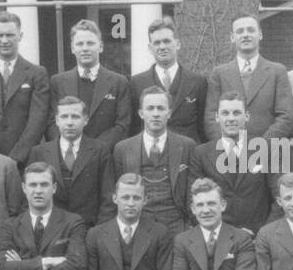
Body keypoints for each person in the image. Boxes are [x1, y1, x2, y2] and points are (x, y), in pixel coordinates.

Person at [113, 86, 195, 235]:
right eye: (150, 108)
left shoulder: (187, 146)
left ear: (169, 113)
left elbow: (191, 191)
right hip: (138, 222)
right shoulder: (123, 149)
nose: (156, 114)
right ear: (141, 113)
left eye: (161, 108)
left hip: (176, 223)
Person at [27, 97, 115, 229]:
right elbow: (30, 196)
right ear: (57, 120)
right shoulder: (39, 152)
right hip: (50, 231)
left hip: (89, 229)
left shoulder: (100, 150)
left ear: (85, 120)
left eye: (75, 117)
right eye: (64, 117)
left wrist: (98, 232)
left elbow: (108, 197)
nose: (69, 122)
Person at [191, 92, 275, 232]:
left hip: (258, 236)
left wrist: (264, 234)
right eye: (225, 113)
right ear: (217, 117)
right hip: (218, 237)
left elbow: (279, 197)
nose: (231, 118)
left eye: (236, 113)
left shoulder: (266, 149)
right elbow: (193, 198)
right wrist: (220, 234)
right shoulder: (201, 154)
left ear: (246, 116)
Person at [203, 14, 293, 141]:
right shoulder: (219, 74)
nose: (245, 35)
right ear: (232, 37)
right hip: (228, 154)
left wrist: (261, 146)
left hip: (267, 153)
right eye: (240, 31)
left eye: (251, 30)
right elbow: (211, 117)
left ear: (260, 34)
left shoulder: (277, 71)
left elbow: (286, 116)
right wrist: (226, 146)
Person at [0, 11, 50, 167]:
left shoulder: (37, 73)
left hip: (25, 159)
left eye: (10, 35)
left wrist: (16, 157)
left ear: (20, 36)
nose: (4, 40)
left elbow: (37, 121)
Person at [50, 19, 132, 152]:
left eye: (90, 43)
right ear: (72, 48)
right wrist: (70, 147)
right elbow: (52, 124)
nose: (85, 48)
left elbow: (122, 125)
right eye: (80, 44)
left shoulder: (119, 82)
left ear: (100, 46)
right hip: (69, 155)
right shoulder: (57, 82)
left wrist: (94, 149)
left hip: (105, 156)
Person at [129, 16, 205, 143]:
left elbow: (202, 127)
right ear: (150, 48)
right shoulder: (136, 83)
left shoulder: (198, 82)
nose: (162, 46)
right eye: (157, 43)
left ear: (178, 44)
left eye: (167, 41)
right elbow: (134, 128)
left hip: (188, 155)